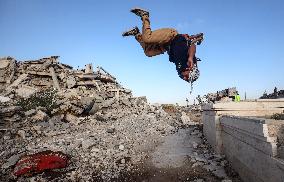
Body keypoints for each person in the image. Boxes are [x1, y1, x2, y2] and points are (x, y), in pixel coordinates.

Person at [122, 8, 204, 83]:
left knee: (148, 52)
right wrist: (190, 57)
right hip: (171, 36)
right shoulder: (190, 63)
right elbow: (192, 45)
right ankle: (145, 15)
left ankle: (136, 33)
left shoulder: (180, 71)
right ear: (190, 70)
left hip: (165, 46)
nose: (184, 78)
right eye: (187, 77)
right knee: (147, 38)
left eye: (186, 80)